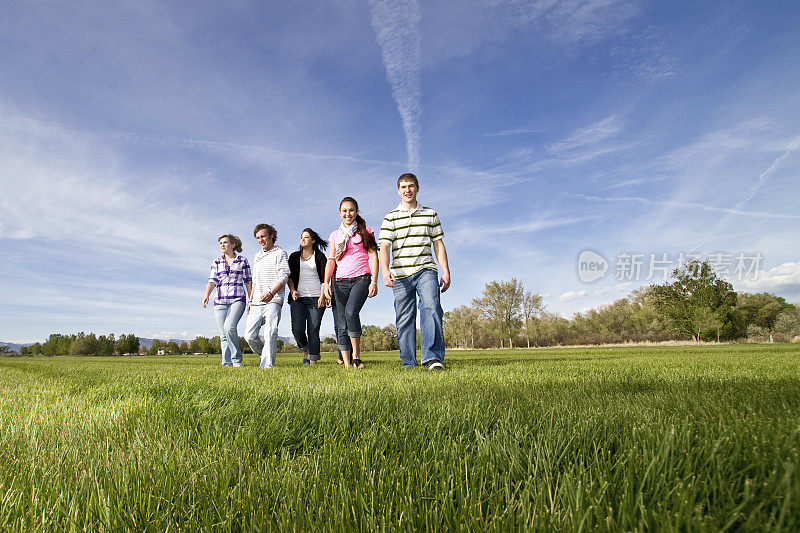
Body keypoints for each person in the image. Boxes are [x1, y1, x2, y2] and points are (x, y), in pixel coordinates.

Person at [379, 173, 451, 370]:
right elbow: (384, 246)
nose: (407, 190)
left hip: (425, 270)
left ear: (418, 188)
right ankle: (408, 362)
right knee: (404, 318)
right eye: (403, 187)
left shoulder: (430, 214)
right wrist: (384, 271)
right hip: (400, 275)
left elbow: (439, 244)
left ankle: (432, 358)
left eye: (410, 186)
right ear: (398, 191)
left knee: (431, 307)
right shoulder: (390, 217)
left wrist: (446, 271)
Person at [322, 197, 379, 369]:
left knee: (351, 312)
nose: (348, 214)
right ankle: (347, 364)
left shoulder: (365, 231)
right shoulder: (335, 235)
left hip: (361, 278)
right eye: (344, 211)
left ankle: (356, 356)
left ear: (357, 211)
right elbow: (331, 261)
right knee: (341, 323)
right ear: (340, 213)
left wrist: (374, 281)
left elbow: (374, 255)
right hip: (340, 282)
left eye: (351, 210)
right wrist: (326, 283)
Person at [202, 234, 252, 367]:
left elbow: (248, 282)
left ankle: (236, 360)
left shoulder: (242, 261)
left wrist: (251, 300)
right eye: (221, 243)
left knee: (229, 327)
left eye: (225, 242)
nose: (222, 245)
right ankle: (226, 362)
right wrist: (206, 295)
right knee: (223, 334)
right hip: (220, 302)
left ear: (233, 245)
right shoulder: (216, 262)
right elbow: (212, 281)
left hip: (237, 300)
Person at [245, 224, 290, 369]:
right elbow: (255, 281)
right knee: (249, 336)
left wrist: (272, 293)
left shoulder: (280, 253)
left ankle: (267, 365)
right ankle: (265, 355)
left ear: (271, 235)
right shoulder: (257, 256)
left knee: (270, 331)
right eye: (258, 238)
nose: (260, 240)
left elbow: (284, 276)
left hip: (273, 300)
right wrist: (250, 300)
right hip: (257, 301)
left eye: (263, 236)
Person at [287, 228, 328, 366]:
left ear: (313, 240)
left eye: (306, 237)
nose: (303, 240)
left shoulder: (320, 256)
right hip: (298, 298)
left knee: (313, 330)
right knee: (297, 330)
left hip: (316, 298)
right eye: (301, 237)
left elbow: (324, 279)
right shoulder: (293, 257)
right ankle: (305, 349)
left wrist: (323, 296)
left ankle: (313, 360)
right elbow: (290, 277)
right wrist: (292, 290)